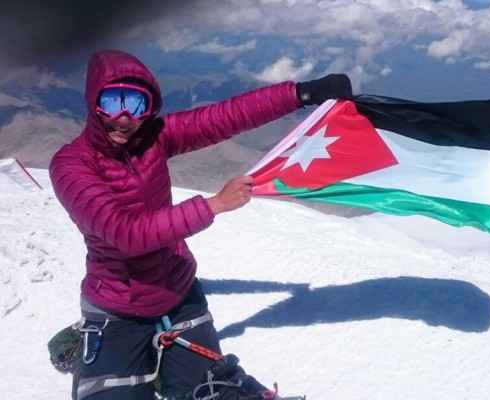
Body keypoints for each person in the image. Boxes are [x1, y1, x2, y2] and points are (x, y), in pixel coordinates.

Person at [49, 49, 352, 400]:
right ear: (93, 103)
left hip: (177, 292)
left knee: (211, 392)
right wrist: (214, 204)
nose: (124, 118)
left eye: (135, 104)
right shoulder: (70, 165)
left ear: (149, 108)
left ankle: (163, 366)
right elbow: (124, 234)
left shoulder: (153, 138)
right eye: (111, 102)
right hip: (117, 307)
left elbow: (223, 117)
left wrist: (302, 93)